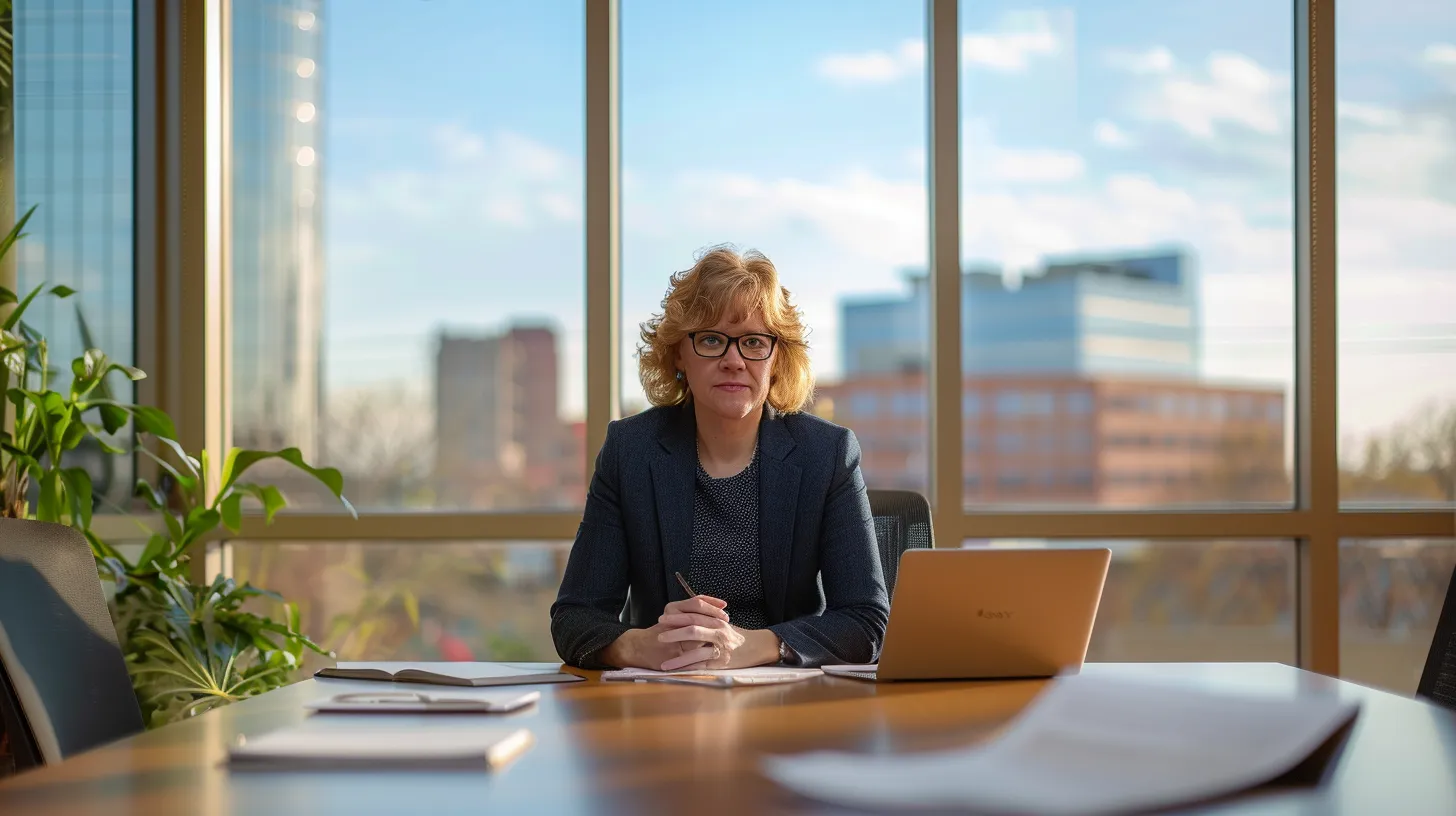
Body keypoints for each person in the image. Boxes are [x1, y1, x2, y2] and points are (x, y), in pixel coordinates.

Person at [550, 246, 890, 672]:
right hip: (666, 704)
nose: (734, 360)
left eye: (753, 342)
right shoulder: (631, 451)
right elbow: (574, 618)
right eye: (711, 340)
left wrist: (757, 645)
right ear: (678, 354)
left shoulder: (826, 453)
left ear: (776, 358)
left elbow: (866, 622)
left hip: (793, 710)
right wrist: (637, 647)